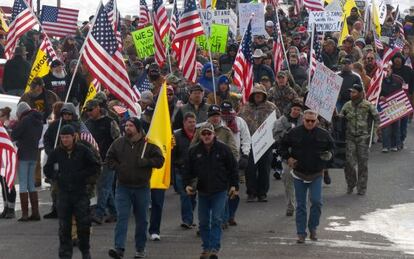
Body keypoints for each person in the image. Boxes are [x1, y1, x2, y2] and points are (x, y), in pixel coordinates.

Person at [106, 118, 164, 259]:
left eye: (131, 126)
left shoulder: (148, 144)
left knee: (142, 220)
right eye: (126, 125)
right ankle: (119, 248)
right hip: (123, 187)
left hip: (142, 188)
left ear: (138, 128)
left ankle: (140, 249)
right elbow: (109, 158)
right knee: (122, 218)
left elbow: (160, 161)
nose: (127, 128)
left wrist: (146, 162)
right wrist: (119, 167)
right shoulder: (118, 143)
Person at [44, 124, 100, 259]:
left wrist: (82, 176)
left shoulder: (83, 150)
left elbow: (95, 166)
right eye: (62, 138)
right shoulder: (56, 152)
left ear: (73, 137)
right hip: (63, 194)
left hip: (80, 193)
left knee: (83, 225)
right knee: (64, 227)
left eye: (67, 137)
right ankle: (65, 254)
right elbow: (47, 169)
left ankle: (85, 251)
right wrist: (56, 176)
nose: (65, 140)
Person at [183, 123, 239, 259]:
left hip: (220, 190)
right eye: (204, 134)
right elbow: (187, 171)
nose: (207, 136)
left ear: (214, 134)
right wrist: (187, 185)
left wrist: (234, 186)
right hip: (202, 191)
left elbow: (233, 168)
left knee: (216, 219)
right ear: (200, 135)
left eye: (209, 133)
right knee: (202, 221)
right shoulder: (194, 151)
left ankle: (214, 248)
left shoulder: (224, 149)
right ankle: (206, 248)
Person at [280, 110, 335, 244]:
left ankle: (313, 228)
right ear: (303, 120)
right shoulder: (293, 133)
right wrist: (288, 158)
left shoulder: (324, 134)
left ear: (317, 121)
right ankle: (301, 233)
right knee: (301, 205)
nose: (310, 123)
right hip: (299, 173)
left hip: (316, 174)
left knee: (316, 202)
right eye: (307, 120)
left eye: (312, 121)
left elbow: (333, 149)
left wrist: (329, 156)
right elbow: (282, 146)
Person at [239, 84, 280, 202]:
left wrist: (275, 138)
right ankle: (251, 192)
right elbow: (239, 123)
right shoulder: (245, 107)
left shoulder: (272, 107)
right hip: (249, 142)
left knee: (264, 169)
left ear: (264, 95)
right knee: (250, 169)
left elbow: (278, 122)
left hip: (265, 143)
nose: (258, 95)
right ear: (252, 95)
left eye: (260, 94)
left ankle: (262, 193)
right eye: (256, 93)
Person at [43, 103, 81, 219]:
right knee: (55, 186)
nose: (66, 116)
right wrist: (51, 152)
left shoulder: (78, 126)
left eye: (69, 114)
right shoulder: (55, 125)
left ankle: (71, 210)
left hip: (72, 161)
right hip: (57, 160)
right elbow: (47, 139)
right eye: (64, 114)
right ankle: (55, 208)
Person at [85, 99, 120, 225]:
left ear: (98, 108)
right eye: (87, 110)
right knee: (106, 187)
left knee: (103, 187)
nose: (89, 113)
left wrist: (115, 157)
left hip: (108, 159)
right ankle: (115, 212)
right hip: (94, 159)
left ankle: (99, 213)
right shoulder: (87, 123)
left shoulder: (109, 122)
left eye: (91, 110)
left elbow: (118, 140)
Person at [341, 84, 379, 195]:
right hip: (350, 137)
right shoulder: (347, 105)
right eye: (351, 92)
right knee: (349, 163)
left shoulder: (367, 105)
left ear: (360, 93)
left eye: (354, 92)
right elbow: (341, 117)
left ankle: (361, 187)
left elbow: (376, 118)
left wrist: (375, 132)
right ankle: (350, 184)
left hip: (363, 137)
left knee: (363, 164)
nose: (351, 94)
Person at [11, 102, 43, 222]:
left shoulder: (25, 120)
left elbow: (14, 135)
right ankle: (35, 213)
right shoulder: (38, 121)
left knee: (23, 183)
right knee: (31, 183)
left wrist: (13, 126)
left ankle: (25, 214)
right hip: (34, 154)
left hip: (23, 154)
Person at [220, 101, 251, 226]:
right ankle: (224, 216)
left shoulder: (239, 122)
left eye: (228, 112)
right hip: (219, 161)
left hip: (235, 161)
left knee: (234, 190)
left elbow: (246, 138)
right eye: (224, 112)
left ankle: (231, 215)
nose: (226, 115)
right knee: (222, 190)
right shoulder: (217, 122)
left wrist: (245, 154)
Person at [274, 101, 303, 216]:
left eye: (298, 110)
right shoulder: (282, 120)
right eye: (294, 109)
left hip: (302, 156)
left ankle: (301, 205)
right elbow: (275, 135)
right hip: (287, 156)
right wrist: (287, 133)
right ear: (290, 109)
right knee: (288, 181)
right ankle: (290, 206)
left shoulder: (305, 120)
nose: (296, 111)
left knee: (302, 182)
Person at [173, 112, 198, 229]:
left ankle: (190, 216)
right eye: (190, 122)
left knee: (193, 196)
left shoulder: (199, 135)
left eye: (194, 122)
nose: (192, 124)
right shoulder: (176, 136)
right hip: (181, 170)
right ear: (184, 123)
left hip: (196, 171)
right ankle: (187, 220)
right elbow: (173, 154)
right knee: (184, 195)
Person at [0, 107, 16, 219]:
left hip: (7, 159)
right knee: (3, 185)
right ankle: (6, 207)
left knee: (8, 184)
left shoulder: (7, 129)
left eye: (1, 115)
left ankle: (11, 209)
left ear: (5, 117)